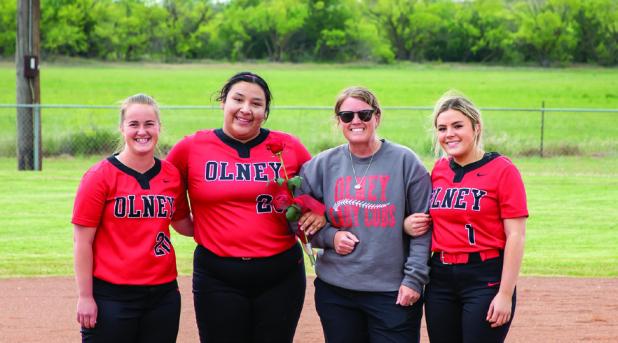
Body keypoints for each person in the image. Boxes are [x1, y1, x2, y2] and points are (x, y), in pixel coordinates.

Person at [166, 71, 324, 343]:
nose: (246, 109)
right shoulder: (192, 147)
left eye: (256, 103)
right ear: (223, 103)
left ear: (265, 112)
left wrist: (318, 213)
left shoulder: (288, 146)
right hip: (218, 274)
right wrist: (190, 224)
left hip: (281, 273)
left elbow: (320, 191)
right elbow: (165, 188)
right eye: (237, 99)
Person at [297, 86, 433, 343]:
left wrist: (414, 280)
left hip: (391, 292)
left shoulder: (405, 161)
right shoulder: (322, 165)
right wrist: (329, 236)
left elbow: (424, 225)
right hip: (336, 292)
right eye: (347, 116)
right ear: (338, 121)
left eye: (364, 114)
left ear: (377, 117)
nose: (356, 121)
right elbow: (297, 216)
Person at [405, 92, 528, 342]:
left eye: (457, 126)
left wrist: (505, 294)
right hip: (440, 277)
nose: (449, 133)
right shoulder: (439, 170)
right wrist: (408, 224)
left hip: (485, 277)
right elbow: (428, 218)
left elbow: (516, 235)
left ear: (476, 127)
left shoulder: (503, 170)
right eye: (442, 128)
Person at [72, 94, 194, 342]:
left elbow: (183, 222)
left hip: (163, 295)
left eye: (149, 124)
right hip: (112, 296)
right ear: (122, 128)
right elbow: (82, 242)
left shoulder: (171, 174)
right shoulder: (100, 176)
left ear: (159, 127)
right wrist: (85, 297)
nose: (142, 131)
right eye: (134, 124)